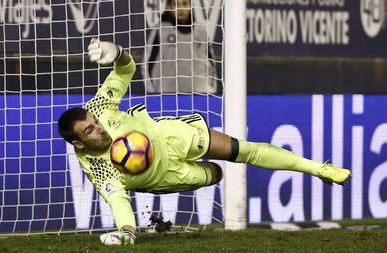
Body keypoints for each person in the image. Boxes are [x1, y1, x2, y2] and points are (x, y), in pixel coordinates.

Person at [57, 39, 351, 246]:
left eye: (95, 124)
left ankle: (319, 169)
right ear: (79, 145)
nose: (100, 129)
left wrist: (118, 52)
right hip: (167, 176)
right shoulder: (101, 172)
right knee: (214, 174)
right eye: (90, 131)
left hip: (171, 137)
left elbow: (124, 70)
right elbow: (120, 205)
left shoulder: (99, 106)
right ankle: (207, 174)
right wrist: (127, 233)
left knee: (239, 149)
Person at [143, 0, 218, 93]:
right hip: (166, 95)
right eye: (175, 4)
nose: (180, 8)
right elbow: (146, 64)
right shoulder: (160, 30)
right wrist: (152, 92)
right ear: (169, 7)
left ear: (191, 5)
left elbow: (211, 63)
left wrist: (211, 89)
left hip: (199, 95)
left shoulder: (201, 31)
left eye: (184, 4)